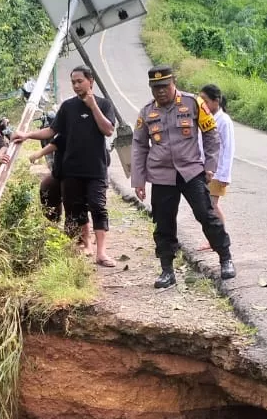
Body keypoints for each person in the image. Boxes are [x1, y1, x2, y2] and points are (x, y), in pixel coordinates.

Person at [131, 65, 235, 288]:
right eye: (155, 87)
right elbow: (139, 146)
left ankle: (225, 258)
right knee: (163, 223)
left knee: (206, 215)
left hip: (191, 171)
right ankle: (167, 271)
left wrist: (210, 165)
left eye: (164, 86)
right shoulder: (146, 112)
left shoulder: (193, 103)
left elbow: (211, 134)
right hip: (161, 176)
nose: (160, 91)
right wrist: (138, 180)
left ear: (174, 82)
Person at [14, 66, 118, 266]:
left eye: (80, 81)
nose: (76, 85)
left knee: (98, 207)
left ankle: (101, 253)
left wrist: (93, 105)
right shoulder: (68, 107)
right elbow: (52, 131)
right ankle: (86, 243)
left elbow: (108, 130)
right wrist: (26, 135)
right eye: (73, 82)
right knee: (76, 208)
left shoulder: (104, 104)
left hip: (96, 167)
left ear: (91, 81)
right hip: (71, 169)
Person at [196, 84, 233, 249]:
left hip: (218, 171)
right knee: (207, 206)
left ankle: (219, 238)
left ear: (216, 101)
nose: (202, 104)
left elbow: (228, 148)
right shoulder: (205, 118)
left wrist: (225, 175)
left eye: (205, 100)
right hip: (205, 168)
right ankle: (215, 238)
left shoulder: (224, 120)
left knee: (211, 205)